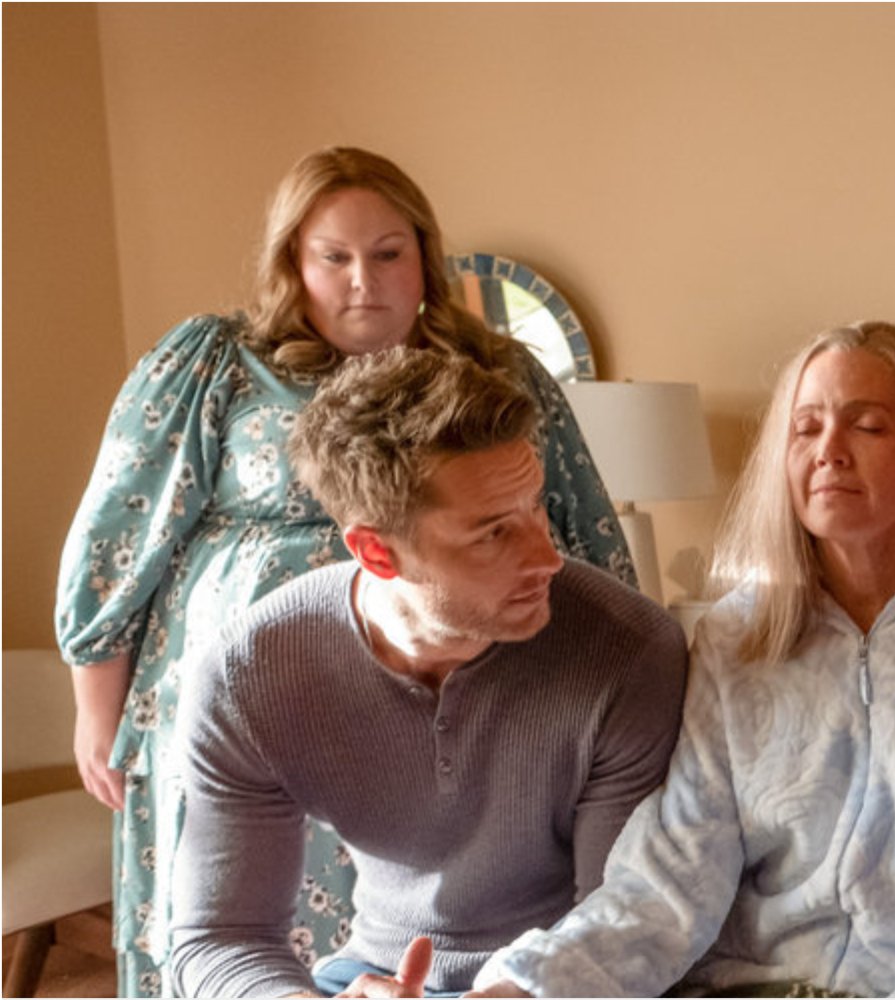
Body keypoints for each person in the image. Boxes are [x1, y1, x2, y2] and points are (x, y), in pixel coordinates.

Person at [53, 146, 636, 997]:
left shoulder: (503, 376)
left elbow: (585, 536)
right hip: (243, 704)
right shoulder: (216, 364)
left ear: (424, 257)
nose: (363, 280)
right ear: (294, 262)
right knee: (238, 936)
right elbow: (119, 537)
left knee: (408, 946)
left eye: (388, 253)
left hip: (443, 709)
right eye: (334, 256)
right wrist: (95, 714)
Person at [470, 322, 895, 998]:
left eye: (869, 426)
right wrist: (533, 987)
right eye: (806, 428)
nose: (830, 451)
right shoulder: (735, 638)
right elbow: (673, 875)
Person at [167, 347, 684, 998]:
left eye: (537, 509)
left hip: (559, 979)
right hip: (374, 975)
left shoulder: (628, 648)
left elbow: (622, 923)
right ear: (377, 552)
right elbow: (221, 937)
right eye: (494, 533)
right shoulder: (249, 675)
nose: (547, 558)